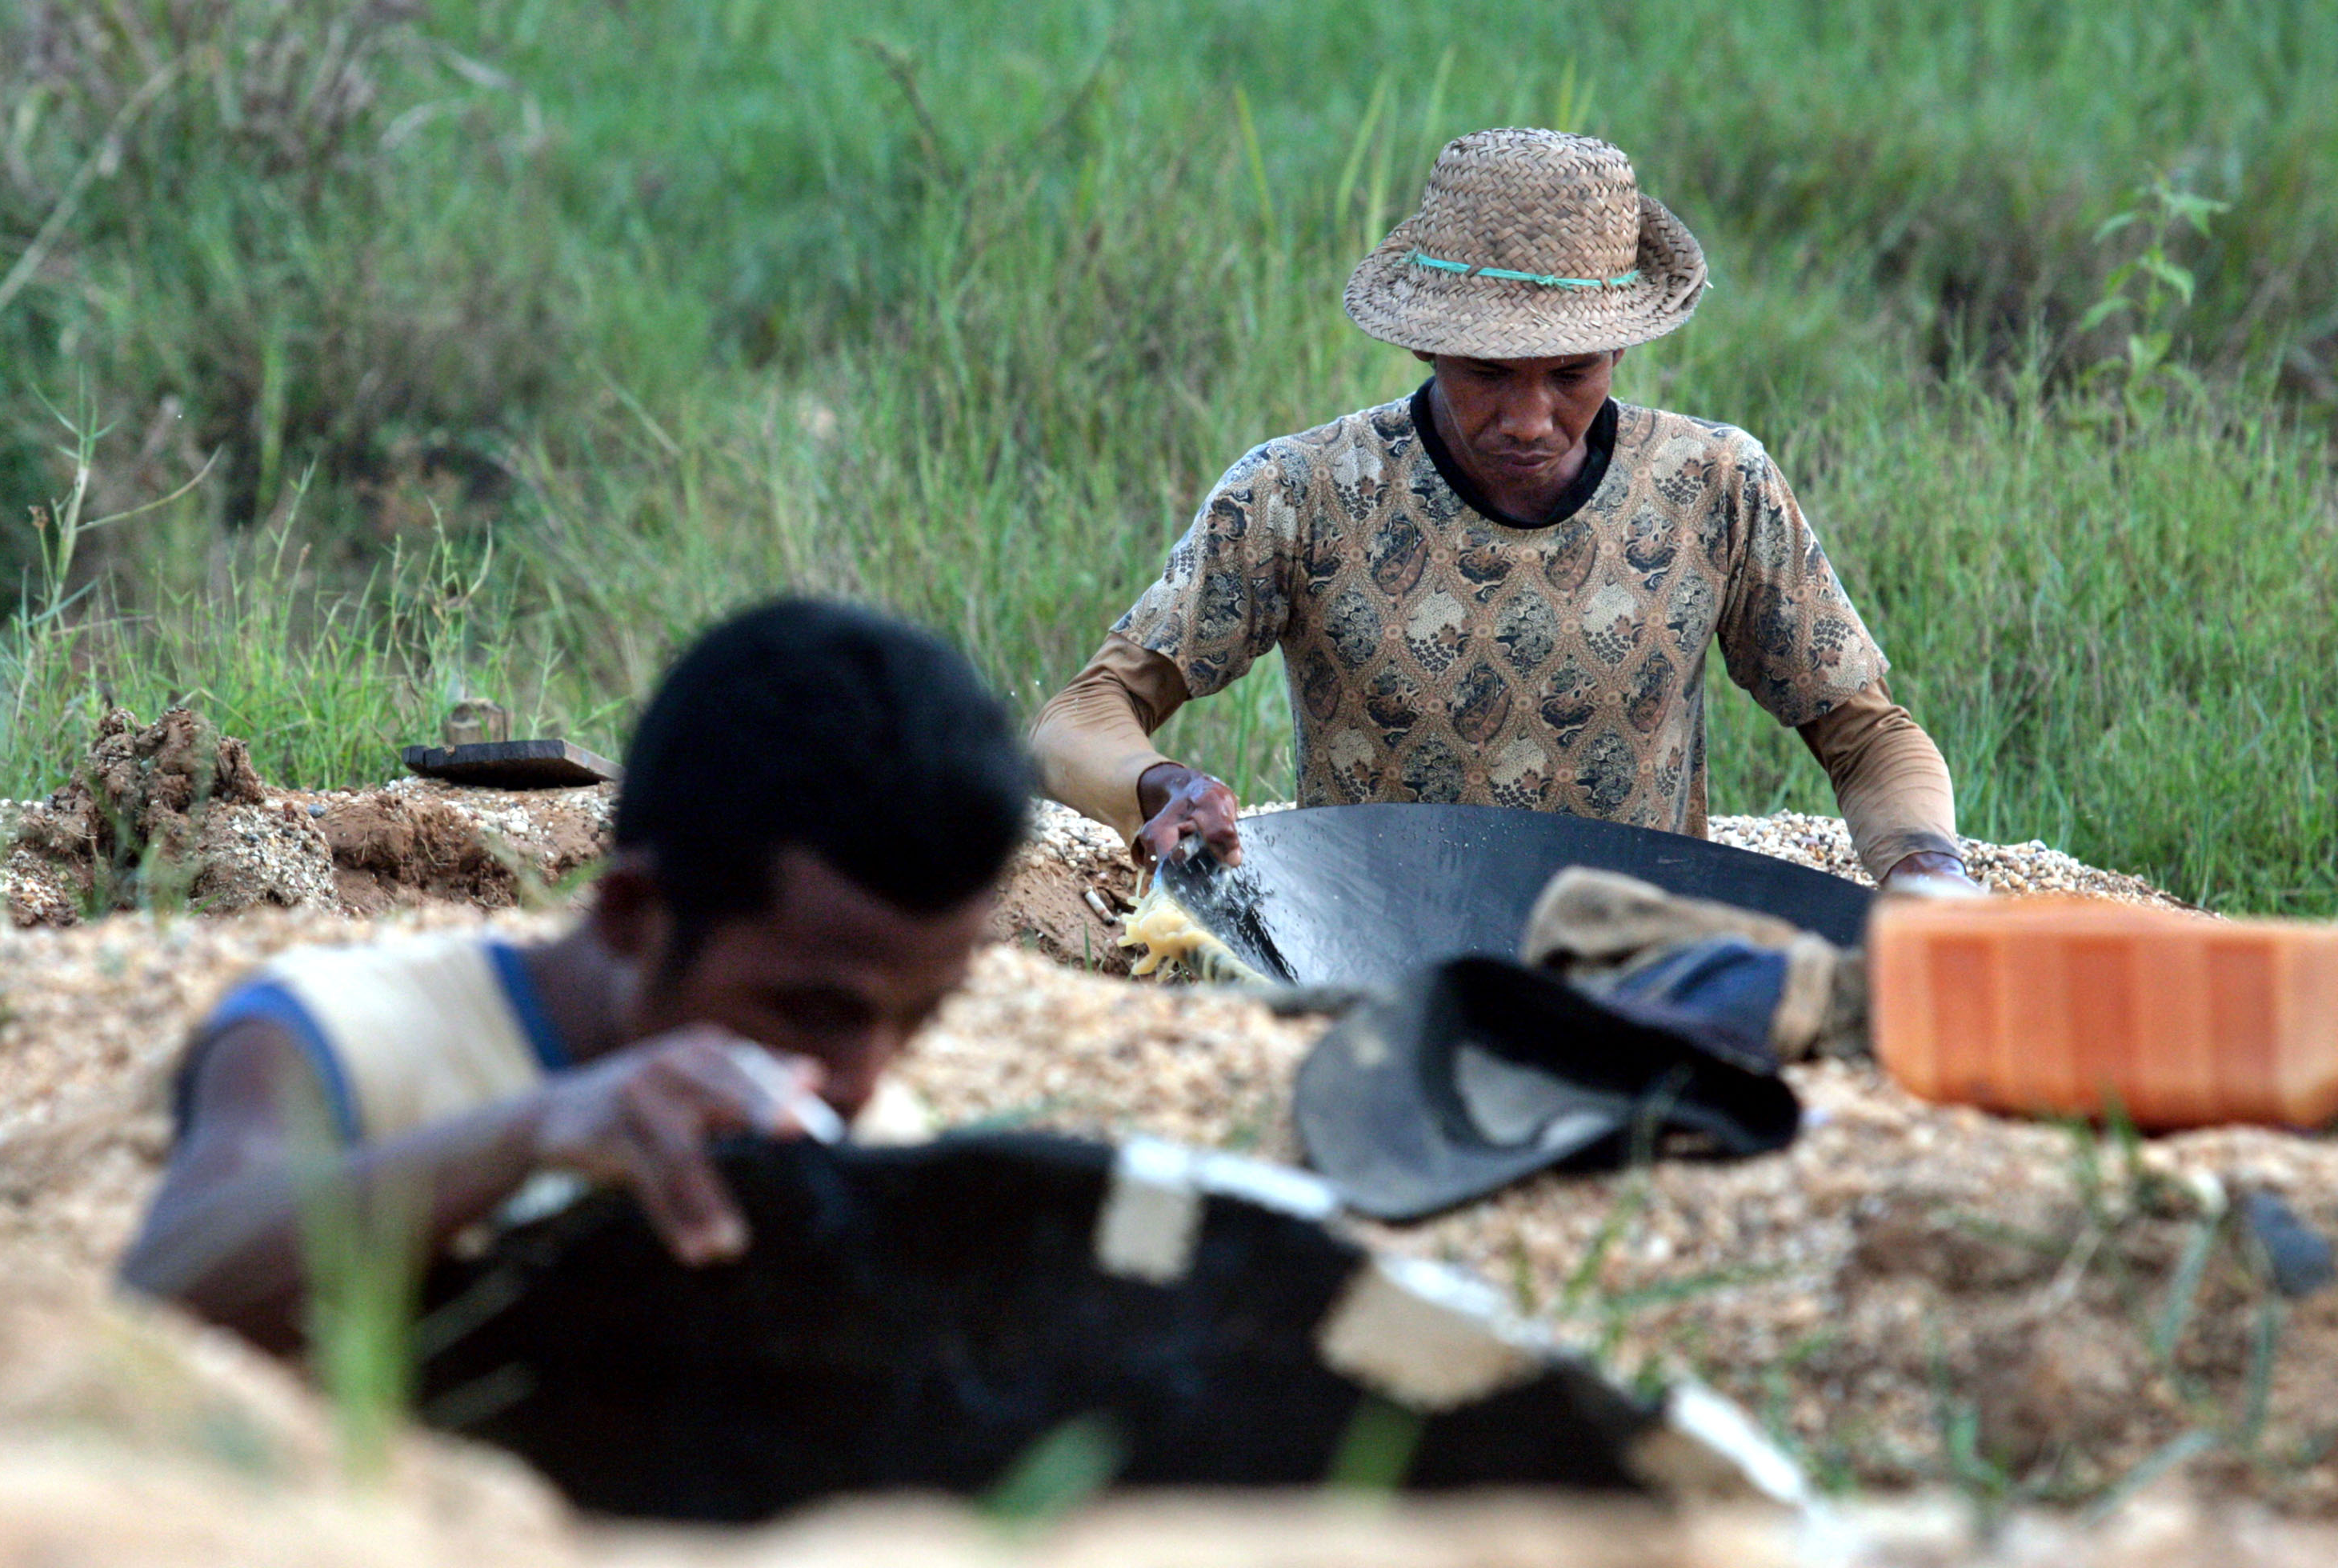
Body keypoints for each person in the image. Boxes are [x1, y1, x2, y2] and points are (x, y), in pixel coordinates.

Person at [1031, 129, 1976, 896]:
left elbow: (1868, 737)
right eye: (1488, 373)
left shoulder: (1714, 486)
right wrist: (1159, 784)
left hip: (1633, 954)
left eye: (1571, 374)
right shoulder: (1300, 493)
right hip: (1379, 941)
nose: (1530, 419)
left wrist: (1926, 865)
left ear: (1620, 347)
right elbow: (1081, 717)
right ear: (1425, 345)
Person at [121, 598, 1031, 1351]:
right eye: (815, 1009)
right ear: (632, 912)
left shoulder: (868, 1138)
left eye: (920, 1016)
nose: (864, 1079)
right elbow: (157, 1292)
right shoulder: (342, 1039)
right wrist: (532, 1129)